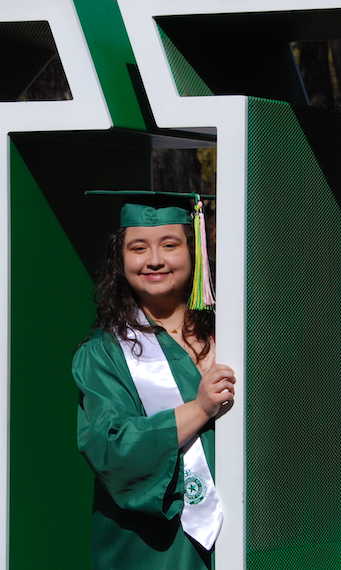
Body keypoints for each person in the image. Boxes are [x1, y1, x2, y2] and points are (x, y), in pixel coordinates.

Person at [73, 193, 236, 570]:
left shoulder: (234, 333)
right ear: (121, 259)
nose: (155, 260)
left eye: (169, 244)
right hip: (154, 550)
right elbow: (111, 449)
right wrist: (199, 409)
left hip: (246, 537)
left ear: (194, 252)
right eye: (138, 248)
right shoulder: (105, 353)